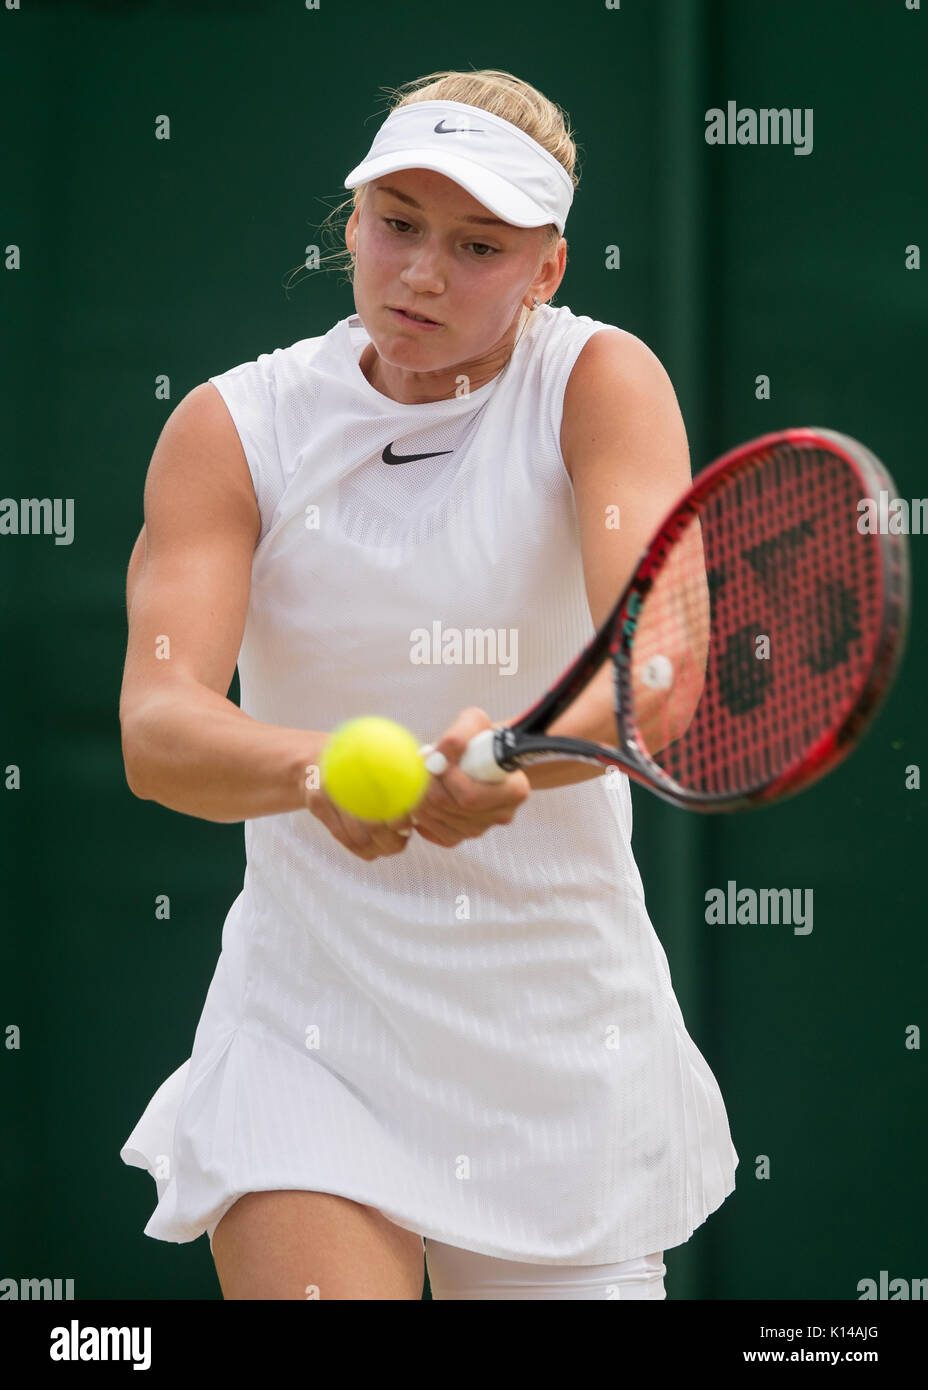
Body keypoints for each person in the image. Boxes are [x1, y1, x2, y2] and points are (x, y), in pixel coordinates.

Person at [119, 68, 738, 1301]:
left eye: (479, 246)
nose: (422, 273)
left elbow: (658, 666)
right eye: (397, 223)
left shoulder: (599, 383)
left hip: (558, 1049)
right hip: (308, 1031)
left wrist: (514, 753)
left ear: (546, 268)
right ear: (350, 221)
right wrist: (315, 772)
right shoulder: (232, 428)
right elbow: (161, 728)